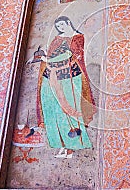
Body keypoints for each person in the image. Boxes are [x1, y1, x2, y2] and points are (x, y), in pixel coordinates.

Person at [37, 16, 95, 158]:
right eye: (58, 26)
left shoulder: (77, 38)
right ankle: (61, 145)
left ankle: (72, 146)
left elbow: (73, 56)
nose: (61, 28)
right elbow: (51, 55)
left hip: (70, 78)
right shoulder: (57, 39)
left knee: (69, 110)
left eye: (62, 25)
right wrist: (45, 57)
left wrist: (47, 59)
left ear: (69, 23)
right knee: (53, 111)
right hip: (51, 77)